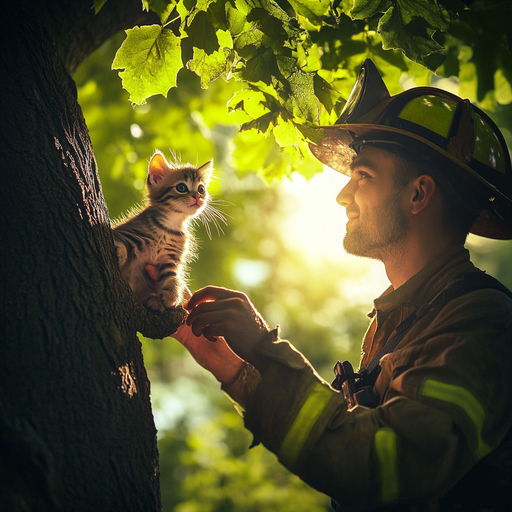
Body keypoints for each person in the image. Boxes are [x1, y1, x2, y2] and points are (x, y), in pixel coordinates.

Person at [173, 60, 512, 511]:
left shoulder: (480, 321)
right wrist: (237, 370)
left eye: (363, 176)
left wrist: (263, 348)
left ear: (418, 194)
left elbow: (385, 465)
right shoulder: (409, 316)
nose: (342, 195)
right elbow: (341, 433)